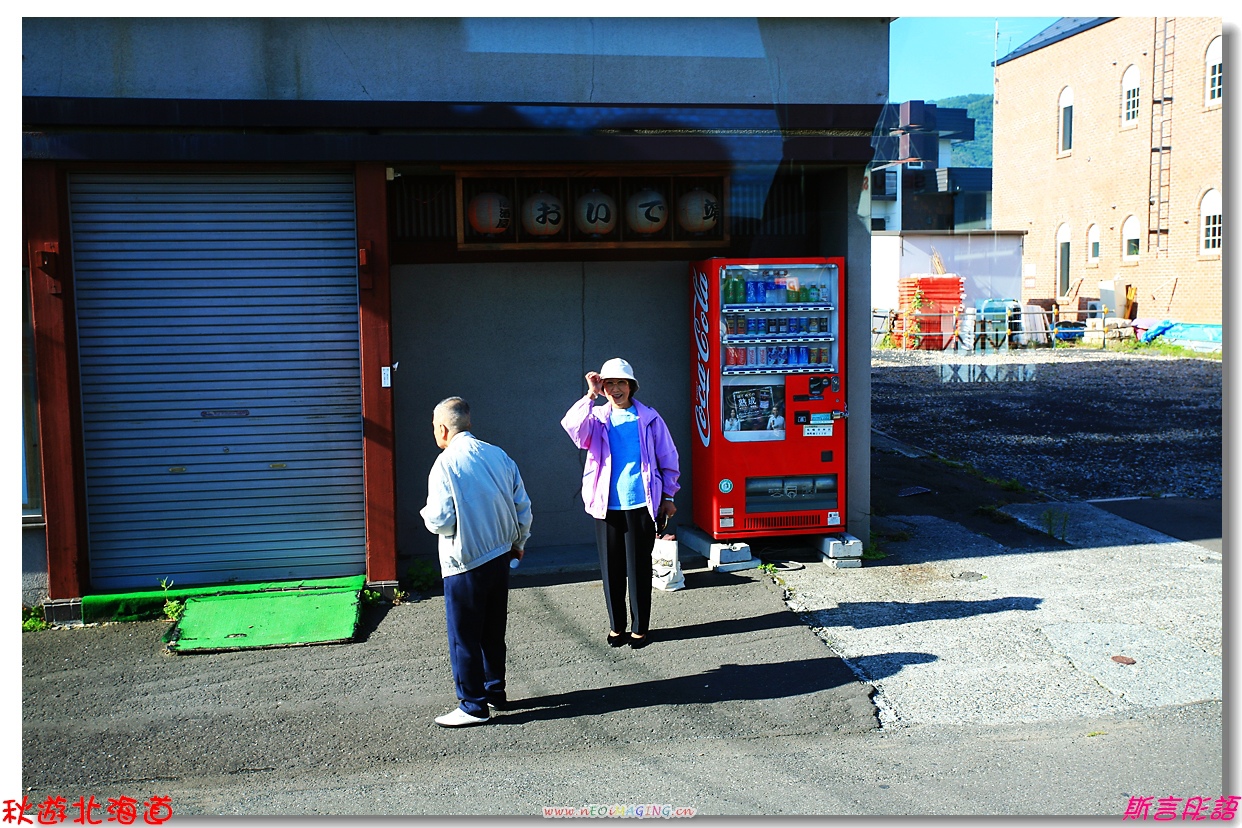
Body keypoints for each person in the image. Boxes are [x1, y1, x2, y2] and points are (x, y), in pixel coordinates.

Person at [420, 397, 532, 728]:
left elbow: (440, 519)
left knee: (464, 635)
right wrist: (518, 543)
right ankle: (494, 691)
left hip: (464, 561)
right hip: (501, 554)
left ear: (442, 428)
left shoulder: (445, 464)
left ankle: (472, 705)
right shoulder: (498, 455)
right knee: (492, 631)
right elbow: (522, 505)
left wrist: (424, 515)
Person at [561, 358, 680, 650]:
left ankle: (640, 628)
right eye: (609, 384)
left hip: (642, 504)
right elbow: (573, 429)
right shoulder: (597, 418)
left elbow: (668, 458)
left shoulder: (649, 418)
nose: (615, 389)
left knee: (639, 568)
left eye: (621, 383)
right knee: (611, 569)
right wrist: (589, 395)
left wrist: (669, 496)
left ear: (631, 387)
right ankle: (617, 626)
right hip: (606, 507)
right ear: (603, 387)